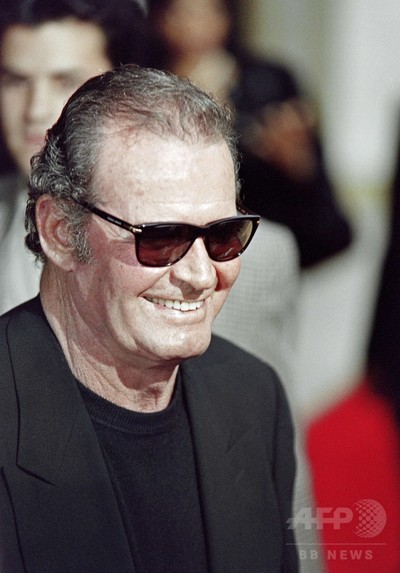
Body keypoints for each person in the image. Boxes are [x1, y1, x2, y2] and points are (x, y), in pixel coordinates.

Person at [0, 64, 298, 572]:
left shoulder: (252, 397)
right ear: (60, 232)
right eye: (161, 238)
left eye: (223, 235)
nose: (200, 275)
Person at [146, 0, 353, 268]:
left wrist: (298, 166)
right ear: (159, 19)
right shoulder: (143, 88)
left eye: (210, 11)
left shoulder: (268, 85)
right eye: (181, 13)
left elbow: (328, 225)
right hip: (171, 250)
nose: (195, 25)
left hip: (258, 249)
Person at [0, 0, 147, 314]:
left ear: (126, 87)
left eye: (65, 82)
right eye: (16, 81)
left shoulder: (228, 252)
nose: (35, 110)